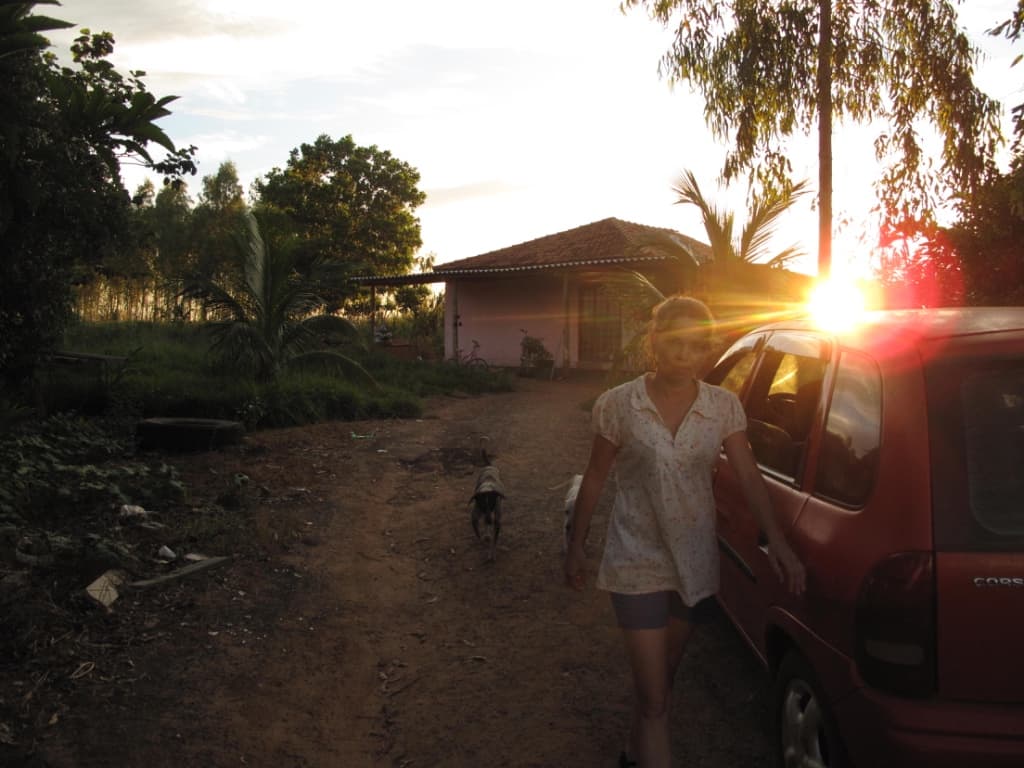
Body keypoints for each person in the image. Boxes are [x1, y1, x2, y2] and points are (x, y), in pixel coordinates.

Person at [564, 296, 806, 768]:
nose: (685, 353)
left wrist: (776, 537)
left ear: (708, 351)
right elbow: (594, 476)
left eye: (697, 345)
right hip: (635, 558)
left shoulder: (723, 407)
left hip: (694, 561)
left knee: (661, 683)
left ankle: (633, 752)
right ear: (655, 342)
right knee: (656, 701)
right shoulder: (619, 404)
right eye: (676, 342)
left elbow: (749, 475)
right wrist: (576, 546)